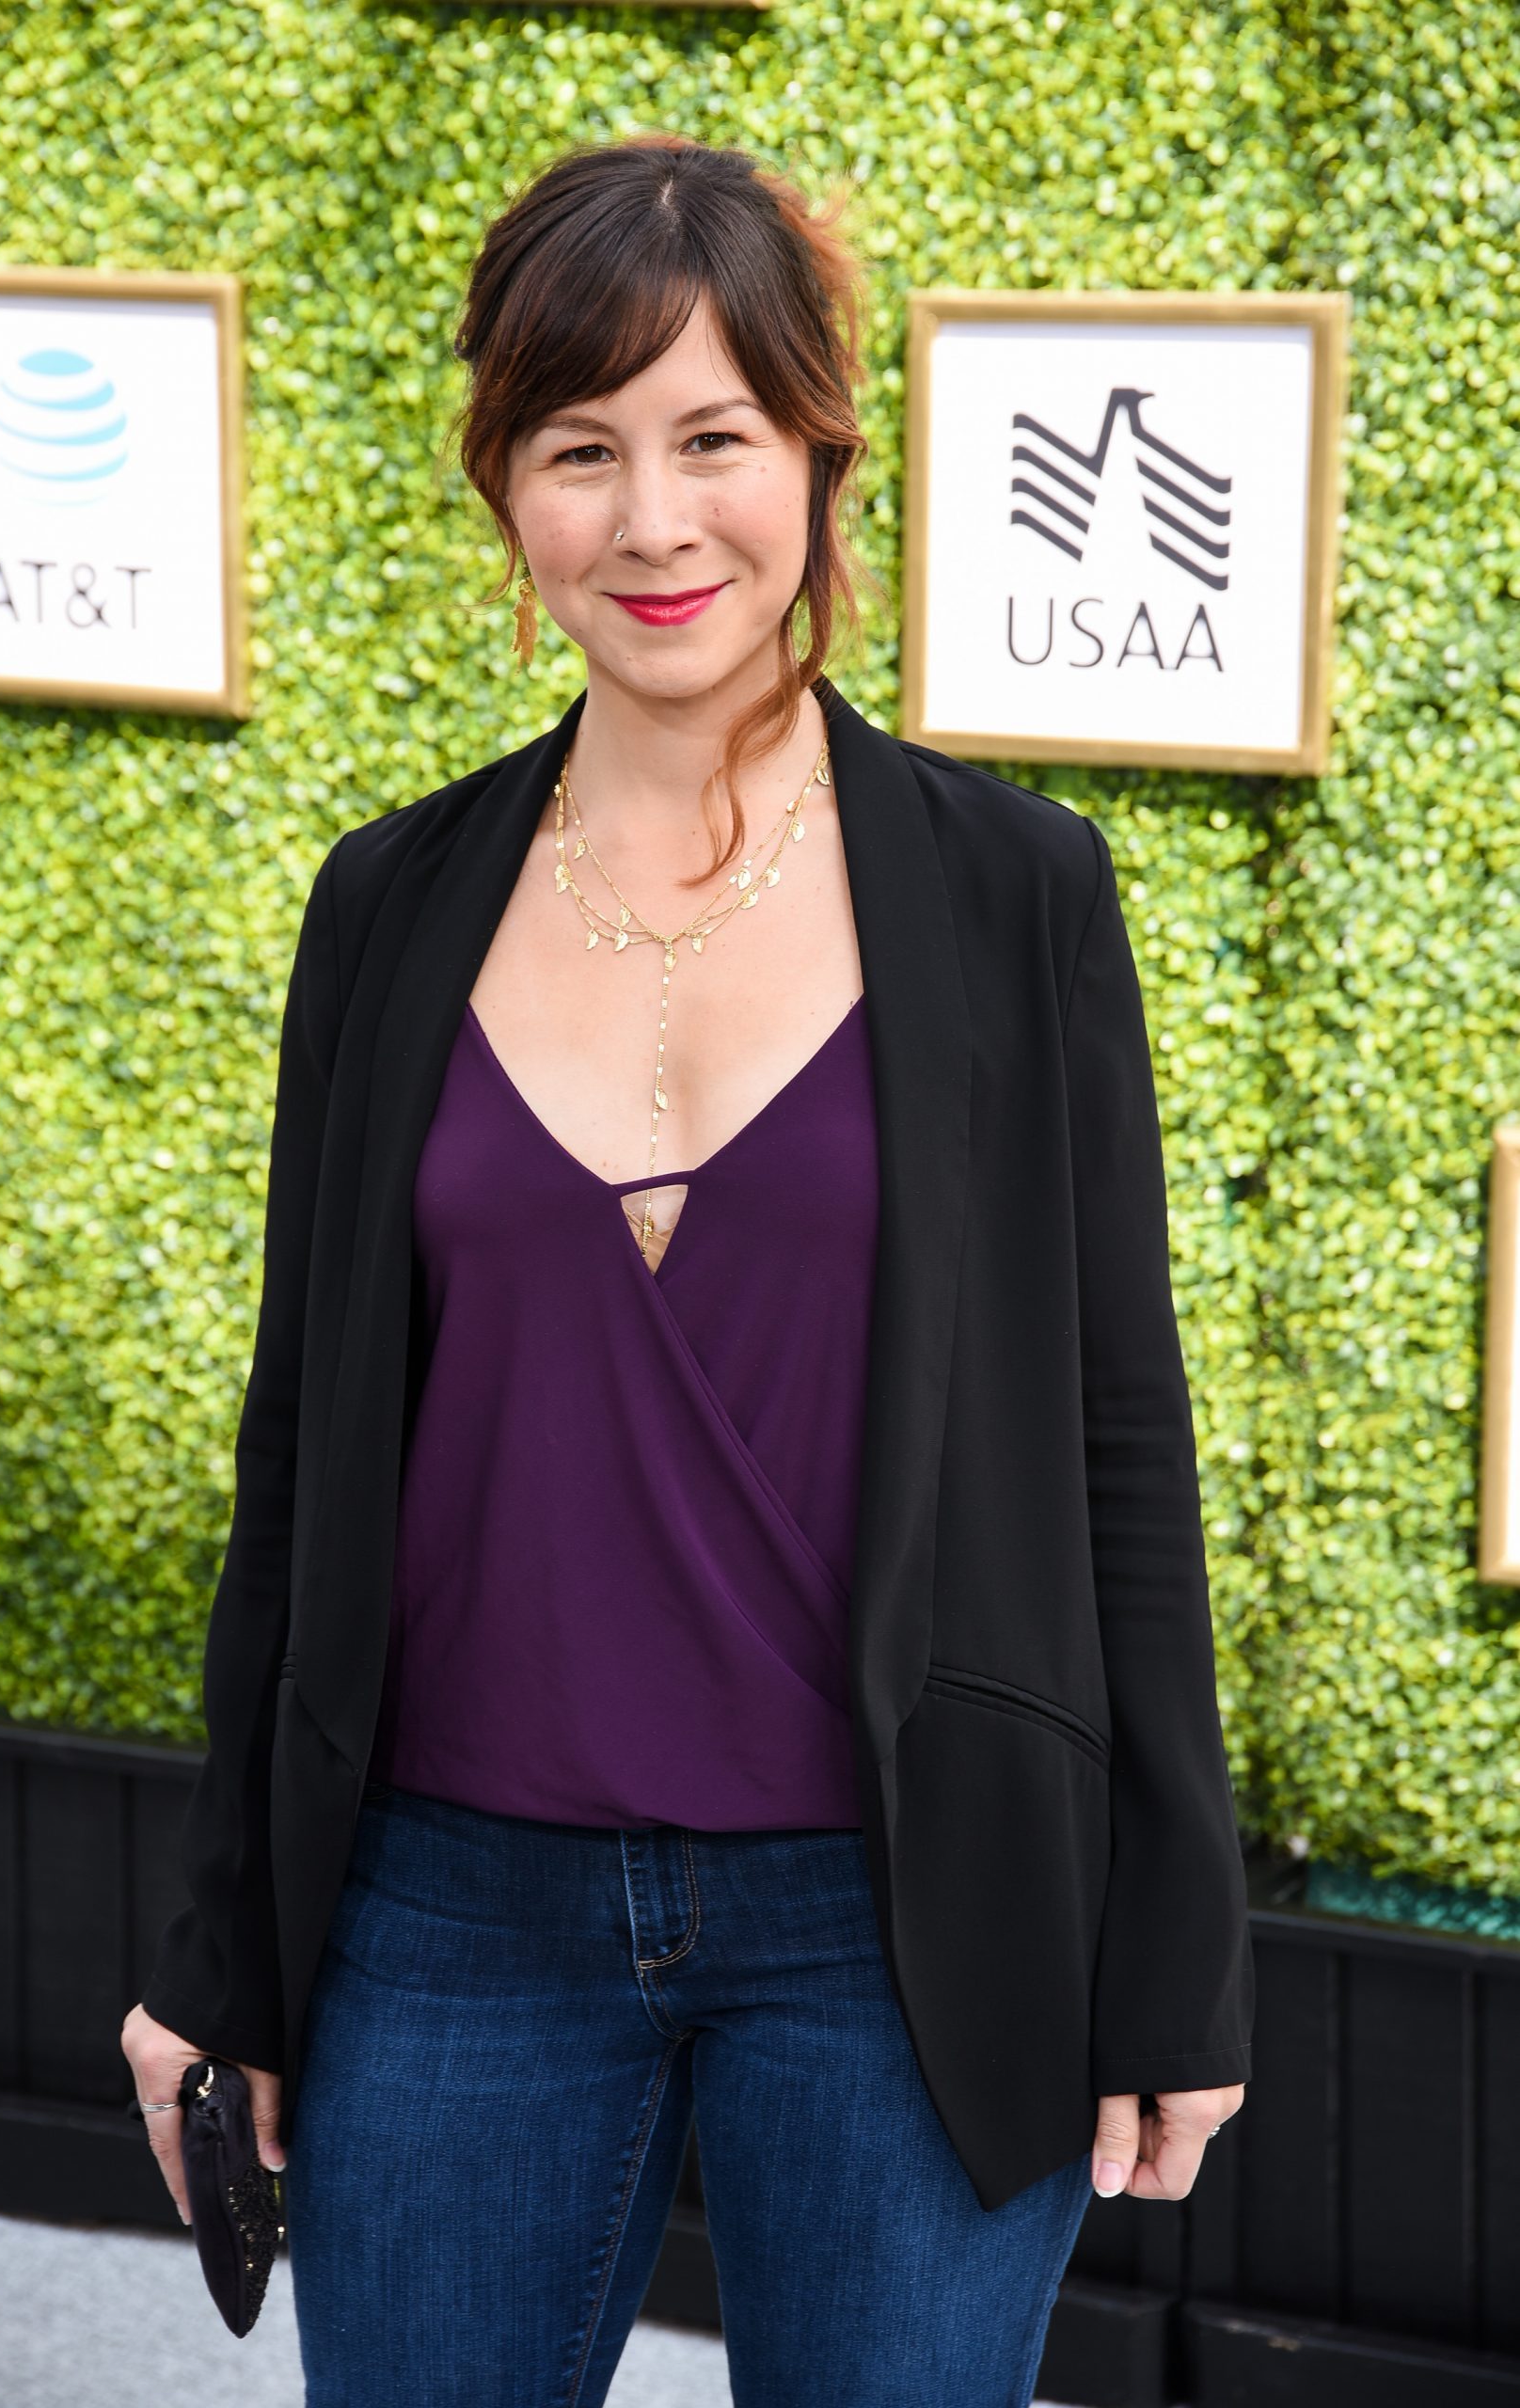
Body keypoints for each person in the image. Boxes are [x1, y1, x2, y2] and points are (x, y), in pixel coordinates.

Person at [122, 131, 1252, 2407]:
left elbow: (1118, 1436)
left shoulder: (1017, 896)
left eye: (715, 436)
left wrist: (1180, 1945)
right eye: (581, 448)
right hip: (448, 1908)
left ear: (821, 453)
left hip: (904, 1911)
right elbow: (301, 1447)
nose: (655, 521)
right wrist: (220, 1937)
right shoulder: (387, 906)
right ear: (503, 489)